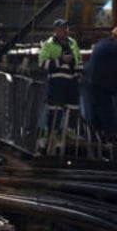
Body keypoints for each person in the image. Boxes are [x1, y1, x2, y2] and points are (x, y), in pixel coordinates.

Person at [38, 18, 82, 154]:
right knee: (54, 110)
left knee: (73, 108)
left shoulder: (73, 43)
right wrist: (60, 60)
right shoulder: (48, 44)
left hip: (71, 83)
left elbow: (79, 61)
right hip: (57, 83)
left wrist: (79, 73)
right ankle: (51, 135)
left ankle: (70, 133)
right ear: (55, 31)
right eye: (62, 29)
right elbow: (42, 64)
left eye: (66, 28)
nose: (65, 31)